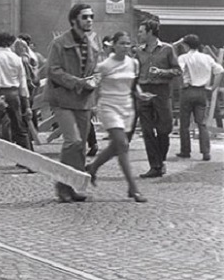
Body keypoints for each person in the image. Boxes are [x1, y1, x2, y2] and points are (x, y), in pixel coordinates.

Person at [86, 31, 151, 203]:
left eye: (128, 43)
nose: (125, 47)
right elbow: (95, 85)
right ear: (113, 45)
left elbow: (133, 84)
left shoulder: (134, 63)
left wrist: (140, 94)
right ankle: (133, 188)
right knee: (122, 144)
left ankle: (92, 168)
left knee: (117, 146)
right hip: (108, 106)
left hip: (127, 107)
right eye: (121, 43)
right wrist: (92, 105)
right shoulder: (104, 65)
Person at [45, 4, 100, 203]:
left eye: (92, 16)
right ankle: (61, 185)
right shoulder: (59, 43)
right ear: (74, 20)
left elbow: (94, 72)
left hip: (84, 100)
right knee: (73, 141)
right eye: (85, 17)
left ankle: (74, 185)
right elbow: (52, 70)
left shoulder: (93, 45)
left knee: (81, 146)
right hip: (62, 99)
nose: (90, 20)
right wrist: (77, 82)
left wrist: (94, 84)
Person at [0, 32, 33, 175]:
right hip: (15, 94)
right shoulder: (17, 58)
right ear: (10, 43)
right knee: (19, 128)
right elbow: (23, 83)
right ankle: (31, 162)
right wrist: (26, 104)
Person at [135, 19, 181, 178]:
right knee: (147, 131)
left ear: (150, 32)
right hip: (143, 91)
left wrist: (161, 72)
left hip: (161, 91)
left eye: (141, 31)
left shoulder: (168, 49)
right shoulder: (138, 51)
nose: (139, 34)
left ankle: (160, 162)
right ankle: (155, 166)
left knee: (164, 129)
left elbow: (177, 71)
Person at [177, 34, 223, 161]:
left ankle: (185, 150)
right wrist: (213, 88)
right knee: (201, 123)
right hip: (202, 91)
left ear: (186, 45)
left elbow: (179, 71)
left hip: (188, 91)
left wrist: (182, 83)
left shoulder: (183, 57)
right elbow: (219, 71)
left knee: (184, 124)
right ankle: (205, 152)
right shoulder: (207, 58)